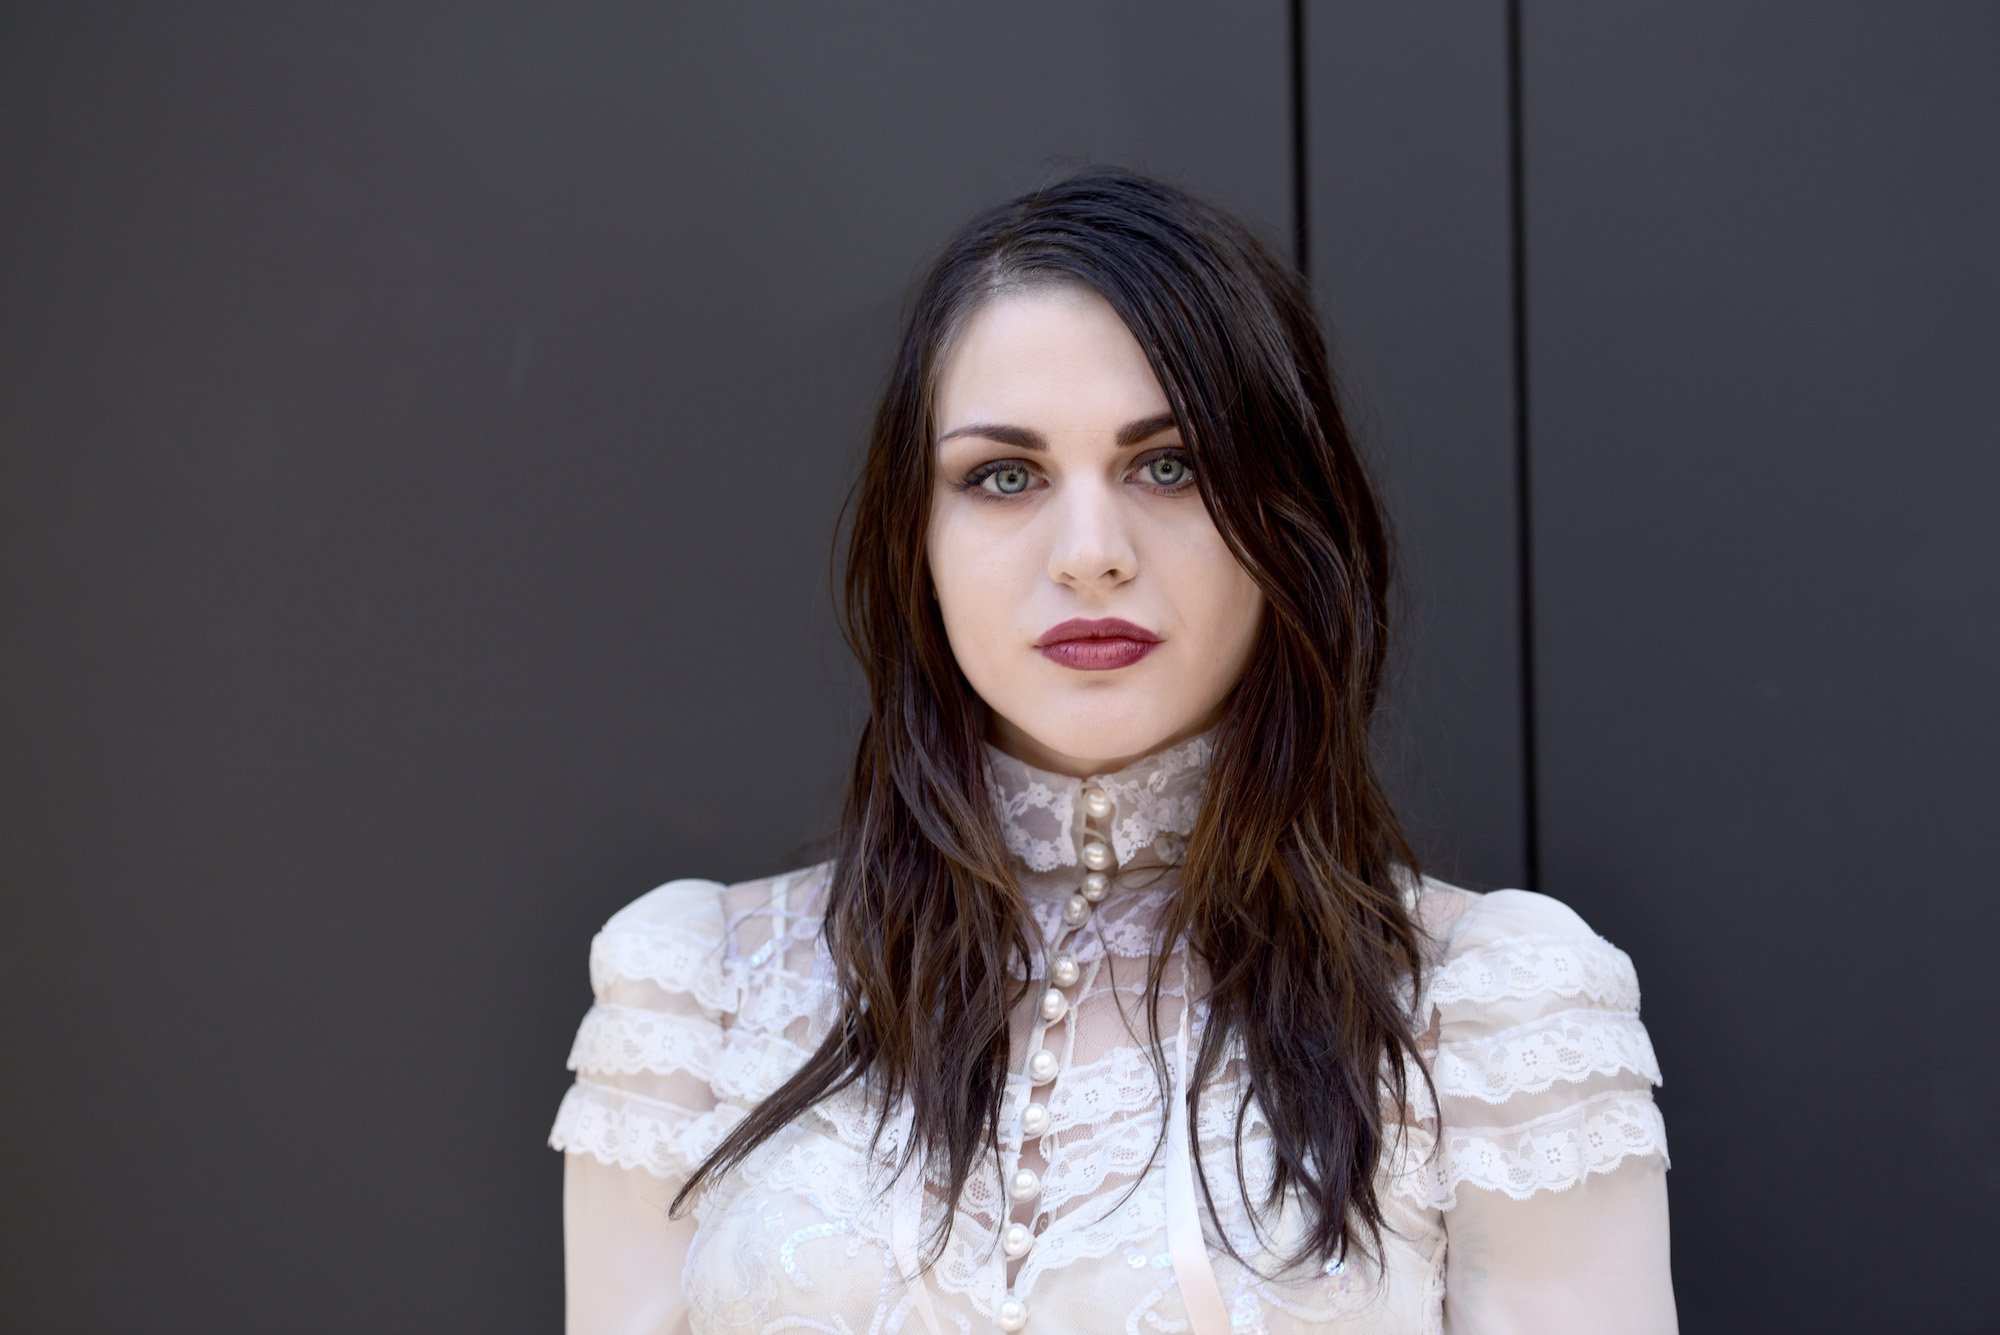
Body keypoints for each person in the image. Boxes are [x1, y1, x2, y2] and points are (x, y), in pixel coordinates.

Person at [547, 166, 1677, 1334]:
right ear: (913, 541)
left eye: (1168, 465)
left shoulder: (1494, 1010)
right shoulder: (700, 993)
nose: (1090, 552)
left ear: (1287, 520)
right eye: (1003, 476)